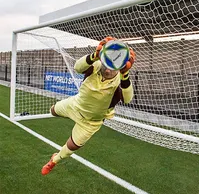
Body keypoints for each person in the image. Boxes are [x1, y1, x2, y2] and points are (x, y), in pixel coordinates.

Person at [41, 36, 136, 175]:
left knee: (72, 147)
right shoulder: (95, 65)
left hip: (91, 122)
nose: (108, 70)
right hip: (74, 105)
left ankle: (54, 160)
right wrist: (95, 55)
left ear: (119, 67)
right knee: (53, 111)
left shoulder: (120, 81)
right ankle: (56, 110)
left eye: (112, 68)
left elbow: (128, 99)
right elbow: (77, 67)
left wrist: (125, 74)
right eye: (106, 65)